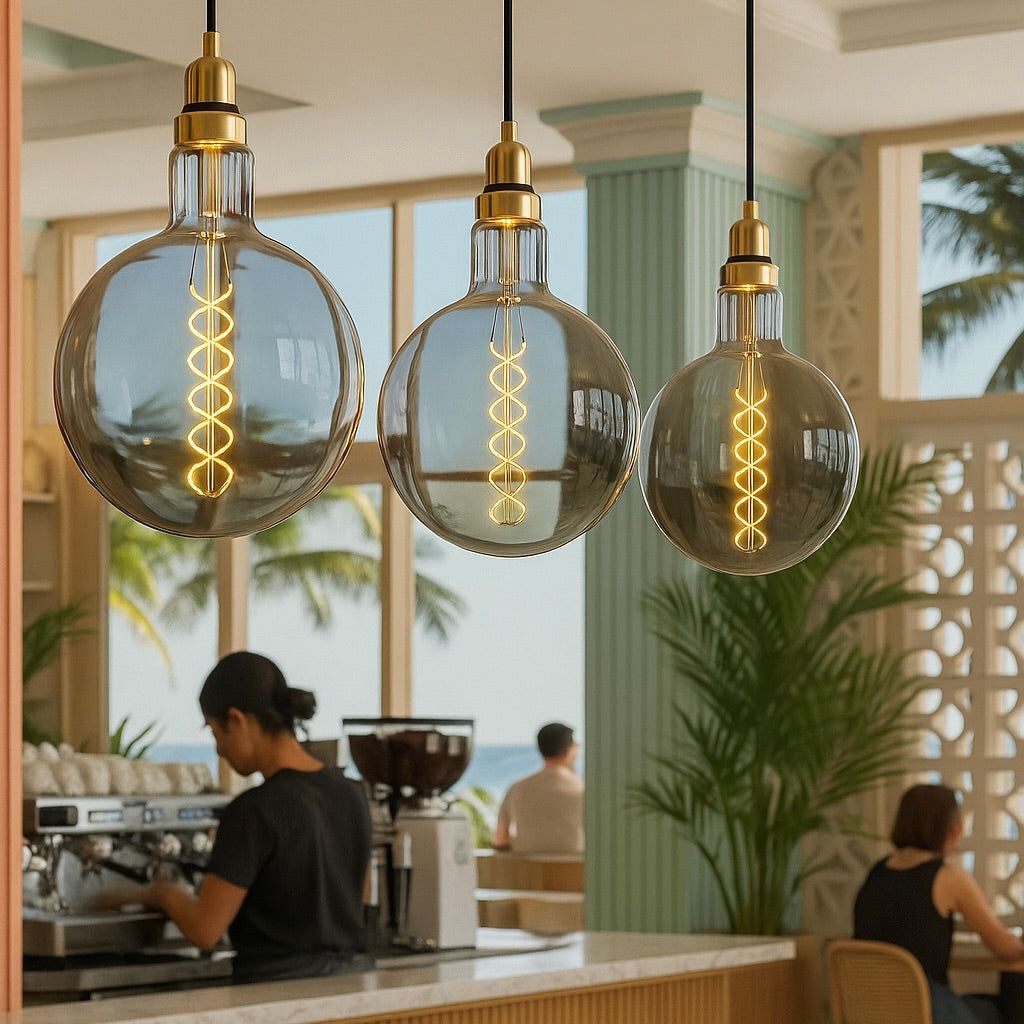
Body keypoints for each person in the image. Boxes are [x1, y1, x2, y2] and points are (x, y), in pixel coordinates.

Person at [130, 651, 373, 983]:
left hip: (276, 992)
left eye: (216, 733)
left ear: (237, 720)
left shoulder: (253, 810)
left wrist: (161, 892)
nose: (219, 750)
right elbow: (356, 898)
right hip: (351, 988)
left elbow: (205, 930)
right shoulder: (353, 792)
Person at [853, 783, 1024, 1024]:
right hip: (923, 1008)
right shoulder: (949, 878)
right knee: (1007, 1009)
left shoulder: (877, 871)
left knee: (980, 1004)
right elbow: (1005, 948)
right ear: (953, 829)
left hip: (867, 1007)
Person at [494, 722, 583, 855]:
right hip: (576, 871)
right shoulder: (582, 789)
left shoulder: (517, 788)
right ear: (570, 748)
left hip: (528, 872)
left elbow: (501, 839)